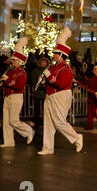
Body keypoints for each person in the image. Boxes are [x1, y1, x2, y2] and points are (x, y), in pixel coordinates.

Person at [37, 27, 83, 155]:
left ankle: (77, 138)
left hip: (61, 95)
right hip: (50, 95)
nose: (54, 55)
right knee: (48, 122)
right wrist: (43, 82)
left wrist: (49, 77)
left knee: (59, 121)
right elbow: (50, 81)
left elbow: (61, 84)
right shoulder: (54, 67)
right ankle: (47, 147)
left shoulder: (66, 69)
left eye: (56, 54)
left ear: (62, 55)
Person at [0, 37, 35, 148]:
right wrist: (1, 83)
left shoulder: (22, 73)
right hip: (8, 96)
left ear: (19, 61)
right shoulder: (10, 71)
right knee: (6, 121)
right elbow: (8, 83)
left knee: (13, 121)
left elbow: (18, 86)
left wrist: (6, 80)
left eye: (14, 60)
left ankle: (29, 131)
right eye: (12, 59)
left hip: (16, 97)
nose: (11, 61)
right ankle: (9, 142)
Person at [84, 65, 97, 130]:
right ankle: (89, 126)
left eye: (96, 69)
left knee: (95, 112)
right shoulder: (92, 78)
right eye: (94, 69)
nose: (94, 70)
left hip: (95, 97)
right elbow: (86, 83)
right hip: (90, 97)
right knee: (89, 113)